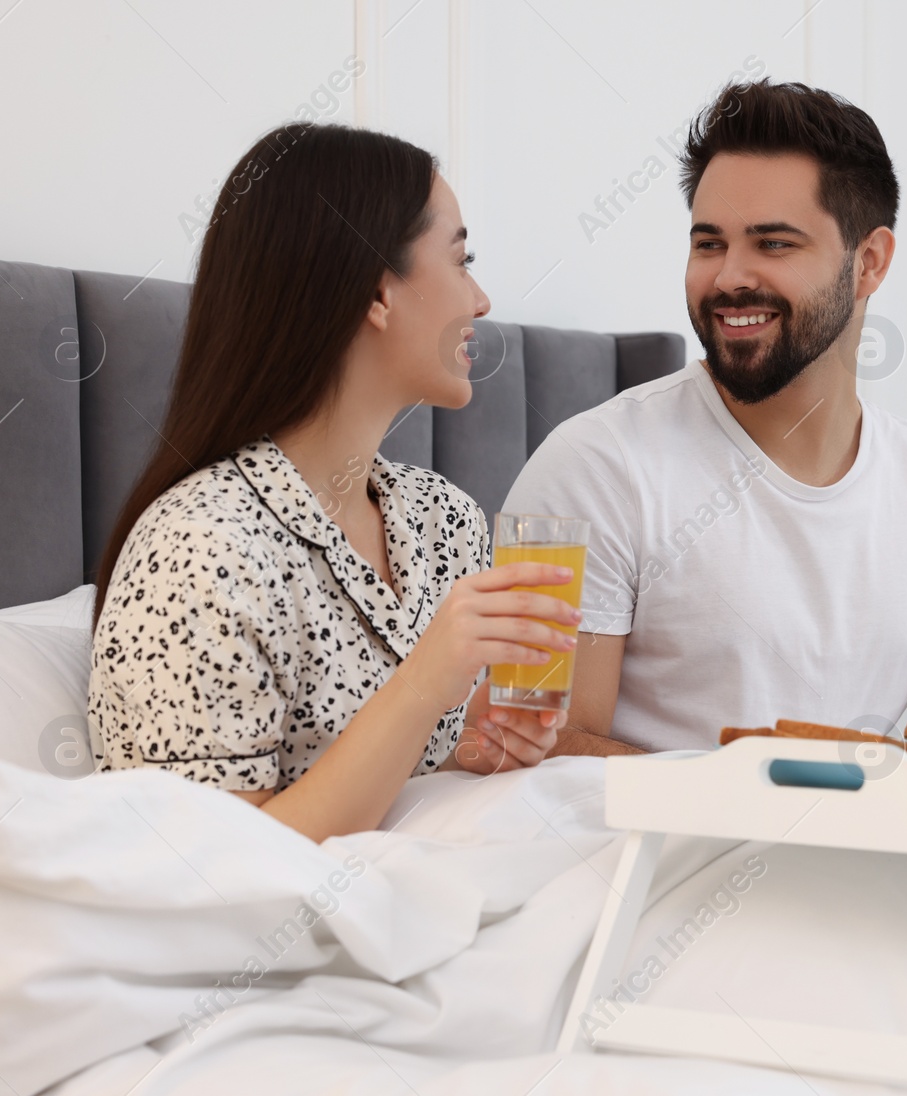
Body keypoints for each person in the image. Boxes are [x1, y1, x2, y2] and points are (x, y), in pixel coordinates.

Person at [503, 80, 907, 755]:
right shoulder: (593, 467)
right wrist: (783, 797)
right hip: (648, 859)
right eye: (709, 244)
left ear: (870, 262)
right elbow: (533, 750)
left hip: (865, 855)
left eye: (773, 244)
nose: (730, 277)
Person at [89, 123, 575, 842]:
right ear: (378, 291)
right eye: (461, 260)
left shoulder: (448, 522)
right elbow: (211, 871)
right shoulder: (202, 548)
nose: (481, 299)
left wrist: (472, 749)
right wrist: (424, 682)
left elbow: (401, 791)